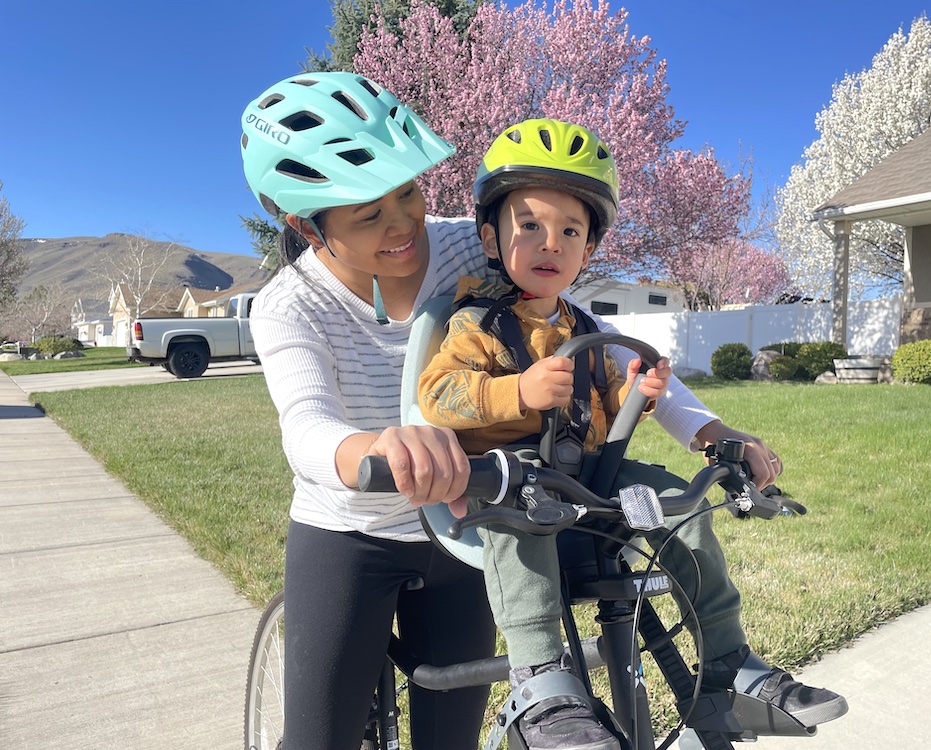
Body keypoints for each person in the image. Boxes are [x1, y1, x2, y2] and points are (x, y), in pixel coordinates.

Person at [241, 71, 839, 750]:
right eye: (368, 214)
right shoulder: (289, 306)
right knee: (319, 740)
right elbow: (307, 425)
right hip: (352, 533)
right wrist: (374, 450)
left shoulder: (481, 239)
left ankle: (725, 669)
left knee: (452, 740)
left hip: (482, 517)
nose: (404, 225)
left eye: (407, 192)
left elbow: (609, 355)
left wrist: (706, 427)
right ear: (306, 225)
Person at [418, 119, 848, 750]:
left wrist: (637, 397)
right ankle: (540, 678)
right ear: (491, 235)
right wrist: (518, 391)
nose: (550, 242)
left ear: (588, 249)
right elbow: (436, 394)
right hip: (510, 477)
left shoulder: (585, 325)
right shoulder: (476, 322)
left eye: (571, 231)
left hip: (590, 477)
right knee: (521, 509)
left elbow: (605, 403)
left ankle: (726, 661)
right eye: (529, 225)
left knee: (685, 503)